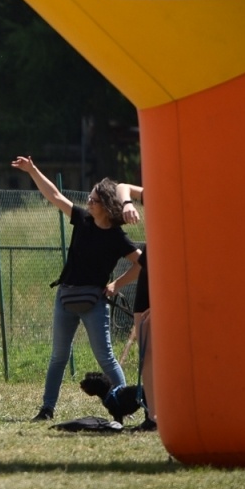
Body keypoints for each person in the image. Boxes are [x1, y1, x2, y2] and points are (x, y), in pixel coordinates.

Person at [12, 157, 142, 422]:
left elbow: (141, 263)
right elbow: (55, 195)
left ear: (105, 205)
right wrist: (33, 170)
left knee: (105, 357)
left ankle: (125, 407)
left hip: (94, 302)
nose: (88, 202)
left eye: (93, 200)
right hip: (66, 296)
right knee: (58, 356)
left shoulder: (117, 236)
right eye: (89, 198)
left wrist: (118, 284)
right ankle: (47, 409)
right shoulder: (82, 219)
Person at [82, 182, 154, 428]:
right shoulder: (159, 190)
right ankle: (151, 416)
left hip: (172, 271)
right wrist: (128, 203)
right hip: (153, 268)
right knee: (147, 353)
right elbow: (122, 186)